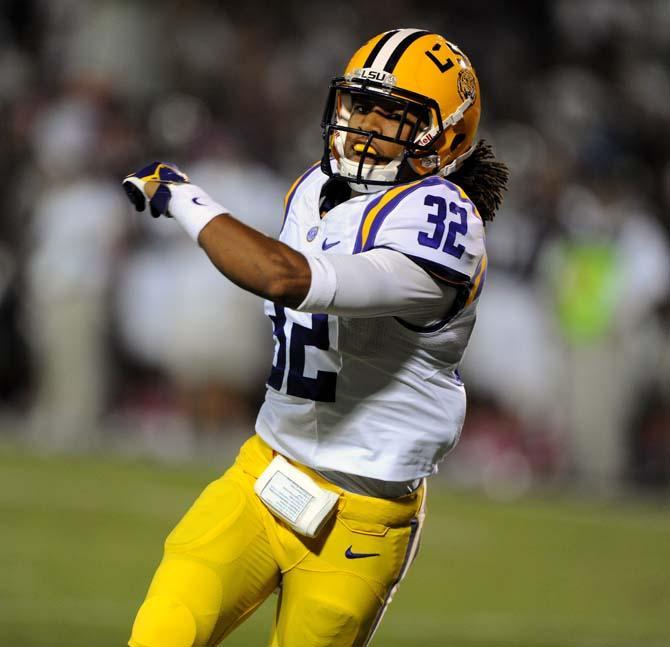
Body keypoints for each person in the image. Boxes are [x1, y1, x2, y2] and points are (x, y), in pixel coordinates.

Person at [123, 28, 508, 647]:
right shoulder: (314, 186)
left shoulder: (443, 221)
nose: (368, 127)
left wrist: (181, 197)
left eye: (396, 116)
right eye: (363, 105)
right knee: (163, 628)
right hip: (266, 469)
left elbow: (286, 278)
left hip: (360, 520)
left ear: (445, 135)